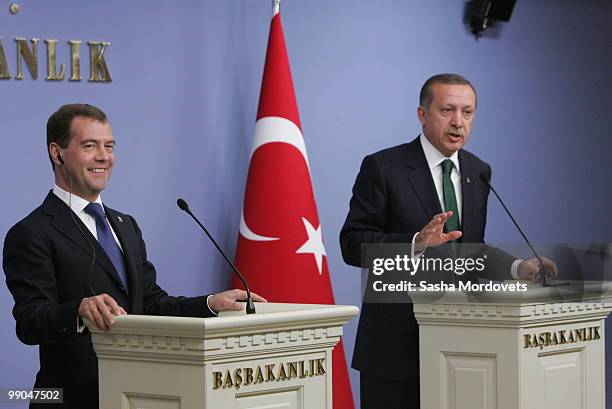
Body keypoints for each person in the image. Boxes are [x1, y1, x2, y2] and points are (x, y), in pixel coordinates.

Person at [3, 103, 266, 409]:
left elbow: (150, 304)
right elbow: (29, 322)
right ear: (57, 152)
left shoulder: (125, 225)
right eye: (90, 146)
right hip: (71, 398)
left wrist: (210, 304)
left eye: (109, 146)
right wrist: (78, 310)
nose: (104, 156)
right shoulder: (31, 232)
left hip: (138, 393)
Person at [339, 74, 556, 409]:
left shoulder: (478, 170)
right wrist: (415, 243)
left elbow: (471, 249)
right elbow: (352, 244)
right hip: (396, 347)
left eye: (467, 113)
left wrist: (517, 267)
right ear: (422, 114)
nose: (458, 122)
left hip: (464, 346)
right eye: (447, 110)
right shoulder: (384, 168)